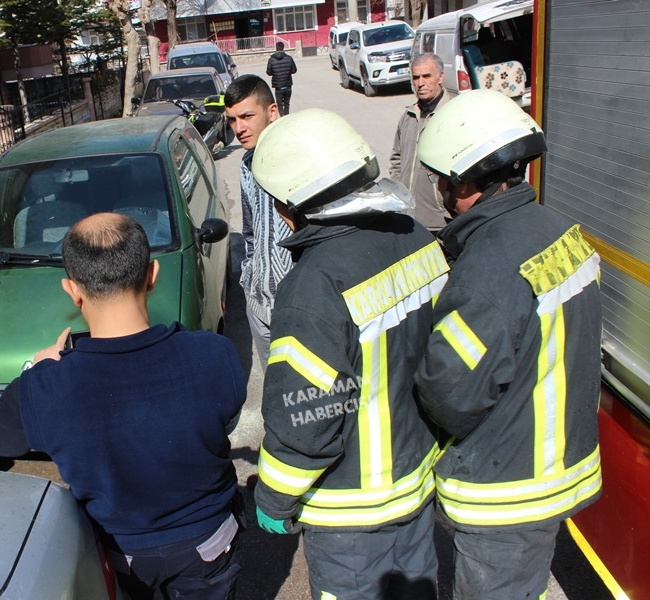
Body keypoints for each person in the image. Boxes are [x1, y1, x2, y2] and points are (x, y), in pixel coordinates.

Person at [0, 213, 246, 600]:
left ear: (72, 290)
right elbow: (228, 411)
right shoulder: (212, 354)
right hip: (208, 545)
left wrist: (35, 370)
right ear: (152, 274)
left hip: (122, 555)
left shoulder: (48, 386)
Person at [251, 108, 449, 600]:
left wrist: (274, 498)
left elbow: (309, 417)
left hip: (353, 515)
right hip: (418, 484)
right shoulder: (417, 238)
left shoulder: (313, 287)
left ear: (289, 204)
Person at [415, 89, 603, 599]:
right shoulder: (561, 232)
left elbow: (450, 395)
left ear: (467, 181)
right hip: (555, 465)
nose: (438, 190)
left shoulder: (485, 272)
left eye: (442, 180)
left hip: (506, 491)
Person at [224, 74, 293, 366]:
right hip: (259, 302)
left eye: (247, 116)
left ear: (272, 111)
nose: (239, 128)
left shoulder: (298, 157)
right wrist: (250, 277)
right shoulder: (246, 165)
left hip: (294, 305)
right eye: (232, 120)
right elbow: (250, 232)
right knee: (274, 392)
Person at [389, 52, 452, 233]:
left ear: (440, 77)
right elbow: (396, 159)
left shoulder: (452, 115)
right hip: (408, 219)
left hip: (440, 220)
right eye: (416, 77)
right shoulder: (408, 117)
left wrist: (444, 202)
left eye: (426, 76)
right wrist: (399, 191)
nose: (420, 83)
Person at [266, 41, 297, 115]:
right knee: (287, 103)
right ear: (283, 48)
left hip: (278, 86)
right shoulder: (289, 58)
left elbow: (268, 72)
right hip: (287, 84)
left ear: (276, 48)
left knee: (279, 104)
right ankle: (286, 116)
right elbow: (294, 70)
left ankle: (282, 117)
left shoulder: (271, 60)